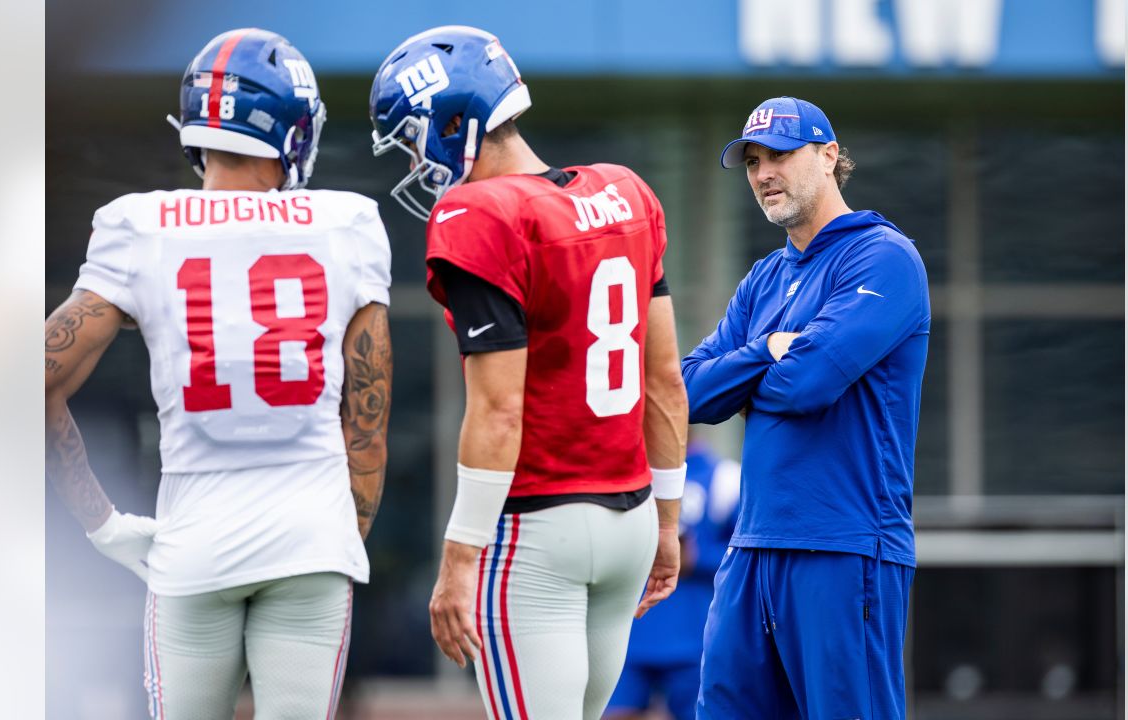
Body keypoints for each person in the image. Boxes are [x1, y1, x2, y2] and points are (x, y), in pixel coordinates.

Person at [44, 28, 393, 719]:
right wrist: (339, 533)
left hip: (193, 544)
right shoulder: (347, 223)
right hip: (309, 539)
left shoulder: (140, 226)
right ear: (292, 131)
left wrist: (101, 522)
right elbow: (368, 414)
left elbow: (32, 381)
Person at [370, 25, 689, 720]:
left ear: (455, 121)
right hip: (631, 518)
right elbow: (664, 381)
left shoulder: (479, 213)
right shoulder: (627, 192)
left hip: (535, 533)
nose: (416, 160)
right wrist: (669, 522)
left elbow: (497, 412)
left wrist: (456, 560)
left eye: (414, 137)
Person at [682, 97, 930, 720]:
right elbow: (686, 392)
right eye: (753, 161)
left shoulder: (883, 257)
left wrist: (742, 378)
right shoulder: (762, 280)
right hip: (751, 548)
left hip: (844, 547)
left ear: (828, 156)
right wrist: (768, 348)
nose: (765, 173)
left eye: (782, 155)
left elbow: (807, 383)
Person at [604, 441, 740, 720]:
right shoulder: (616, 470)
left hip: (696, 640)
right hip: (626, 636)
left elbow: (745, 560)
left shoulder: (725, 478)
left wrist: (698, 557)